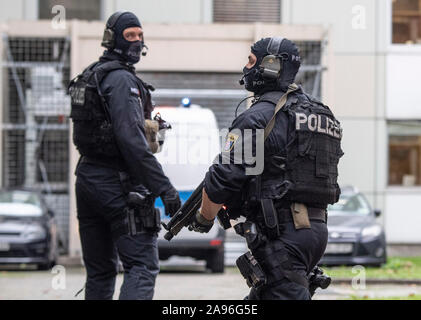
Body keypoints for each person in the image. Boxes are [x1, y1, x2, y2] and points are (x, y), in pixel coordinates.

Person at [188, 37, 343, 300]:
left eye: (251, 61)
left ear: (270, 66)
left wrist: (204, 217)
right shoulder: (320, 113)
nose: (246, 67)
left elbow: (223, 178)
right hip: (315, 230)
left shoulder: (258, 116)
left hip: (283, 234)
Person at [68, 11, 181, 300]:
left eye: (140, 35)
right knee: (141, 266)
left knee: (101, 271)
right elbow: (132, 142)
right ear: (112, 39)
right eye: (130, 35)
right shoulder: (121, 81)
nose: (136, 41)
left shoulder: (92, 74)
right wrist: (164, 189)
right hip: (117, 186)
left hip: (87, 180)